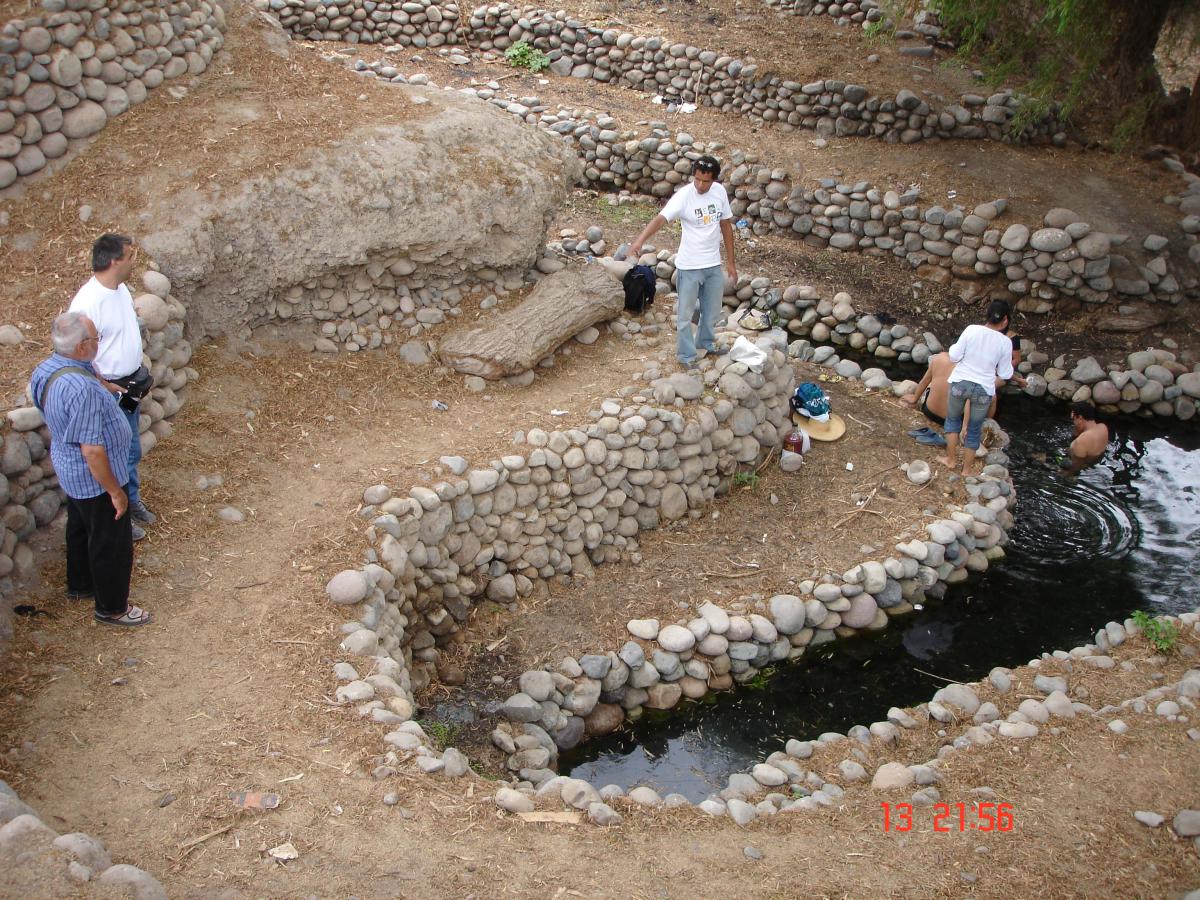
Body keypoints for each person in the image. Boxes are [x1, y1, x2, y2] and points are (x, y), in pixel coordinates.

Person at [30, 313, 153, 627]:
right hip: (95, 476)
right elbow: (93, 450)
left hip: (68, 467)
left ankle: (80, 584)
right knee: (111, 541)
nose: (100, 342)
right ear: (83, 346)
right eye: (97, 338)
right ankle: (112, 607)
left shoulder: (47, 369)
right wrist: (115, 492)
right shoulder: (82, 391)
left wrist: (109, 387)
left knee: (80, 527)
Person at [68, 233, 155, 540]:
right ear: (115, 261)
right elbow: (75, 353)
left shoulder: (119, 290)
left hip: (128, 388)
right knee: (115, 454)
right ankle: (119, 515)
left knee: (129, 449)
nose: (135, 261)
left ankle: (131, 502)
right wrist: (104, 386)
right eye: (131, 256)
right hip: (110, 393)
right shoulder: (87, 304)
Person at [628, 156, 737, 368]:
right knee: (685, 315)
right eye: (697, 179)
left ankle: (705, 343)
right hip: (689, 266)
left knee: (712, 310)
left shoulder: (719, 193)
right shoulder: (684, 196)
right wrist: (639, 241)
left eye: (705, 181)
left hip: (713, 264)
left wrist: (731, 262)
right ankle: (686, 355)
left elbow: (725, 226)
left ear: (714, 179)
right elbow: (661, 219)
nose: (700, 185)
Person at [936, 299, 1015, 477]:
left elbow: (954, 355)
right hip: (983, 390)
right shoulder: (1005, 343)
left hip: (961, 383)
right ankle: (966, 470)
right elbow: (1005, 373)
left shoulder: (971, 330)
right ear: (1005, 320)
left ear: (987, 315)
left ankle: (951, 460)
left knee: (953, 420)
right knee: (973, 428)